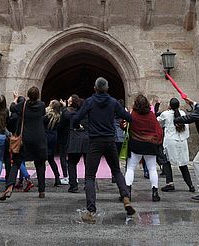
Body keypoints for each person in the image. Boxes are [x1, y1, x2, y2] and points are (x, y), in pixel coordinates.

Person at [72, 77, 135, 223]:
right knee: (116, 171)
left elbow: (77, 118)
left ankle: (91, 210)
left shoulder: (89, 102)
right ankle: (126, 197)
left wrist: (77, 125)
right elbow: (128, 117)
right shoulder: (113, 102)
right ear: (107, 88)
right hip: (110, 140)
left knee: (90, 176)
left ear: (95, 88)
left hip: (95, 142)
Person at [0, 87, 48, 200]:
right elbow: (43, 114)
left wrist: (15, 99)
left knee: (16, 162)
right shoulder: (41, 105)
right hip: (39, 138)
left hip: (25, 139)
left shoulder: (23, 105)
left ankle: (9, 187)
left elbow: (12, 108)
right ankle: (42, 190)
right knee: (40, 164)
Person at [123, 95, 163, 202]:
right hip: (150, 145)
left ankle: (127, 193)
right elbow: (158, 130)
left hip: (135, 144)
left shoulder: (133, 115)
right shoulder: (151, 116)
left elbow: (125, 126)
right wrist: (157, 141)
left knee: (130, 168)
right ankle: (155, 192)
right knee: (152, 169)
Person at [157, 98, 194, 192]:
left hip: (171, 141)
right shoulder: (182, 113)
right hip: (182, 141)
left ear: (170, 105)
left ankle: (170, 183)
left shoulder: (165, 114)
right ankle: (190, 185)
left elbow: (158, 122)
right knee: (183, 164)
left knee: (166, 161)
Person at [63, 95, 88, 194]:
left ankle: (73, 185)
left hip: (75, 140)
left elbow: (65, 115)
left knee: (72, 163)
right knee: (88, 164)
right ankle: (88, 184)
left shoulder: (72, 114)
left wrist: (65, 106)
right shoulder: (88, 114)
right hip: (87, 140)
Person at [44, 100, 64, 187]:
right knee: (51, 159)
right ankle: (57, 177)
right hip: (53, 137)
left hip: (46, 137)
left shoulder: (47, 116)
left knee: (42, 159)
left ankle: (42, 179)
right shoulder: (59, 116)